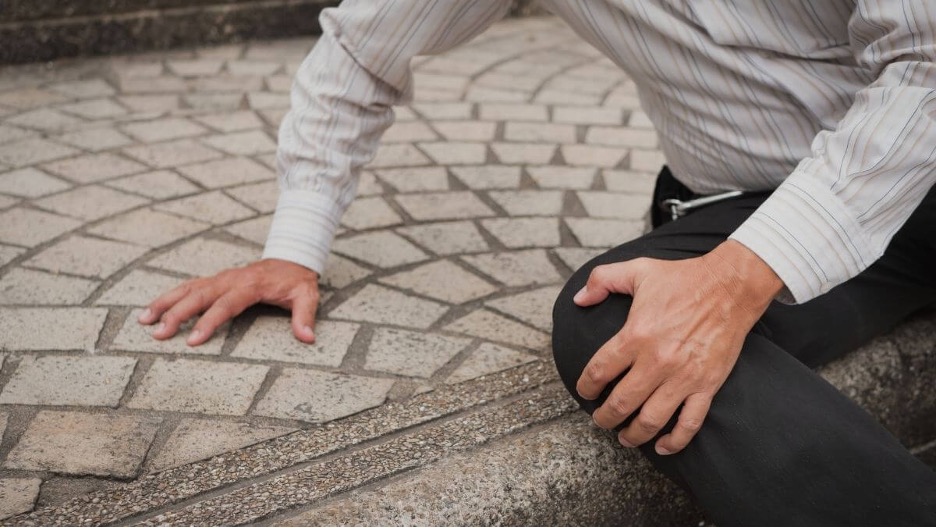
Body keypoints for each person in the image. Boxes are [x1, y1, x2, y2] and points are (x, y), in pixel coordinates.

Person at [139, 1, 936, 524]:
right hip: (743, 202)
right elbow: (362, 46)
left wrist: (742, 278)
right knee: (614, 320)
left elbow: (926, 60)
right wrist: (292, 245)